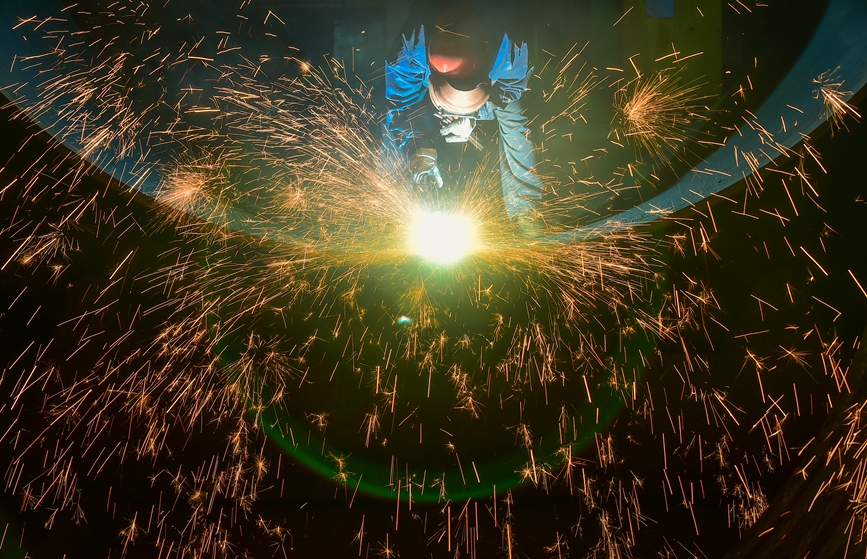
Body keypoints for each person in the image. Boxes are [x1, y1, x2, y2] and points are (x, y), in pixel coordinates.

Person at [383, 7, 544, 237]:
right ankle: (397, 214)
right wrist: (418, 144)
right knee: (390, 132)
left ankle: (527, 209)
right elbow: (400, 104)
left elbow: (511, 92)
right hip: (426, 84)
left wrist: (473, 115)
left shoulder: (510, 53)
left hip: (489, 82)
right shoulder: (410, 53)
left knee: (517, 120)